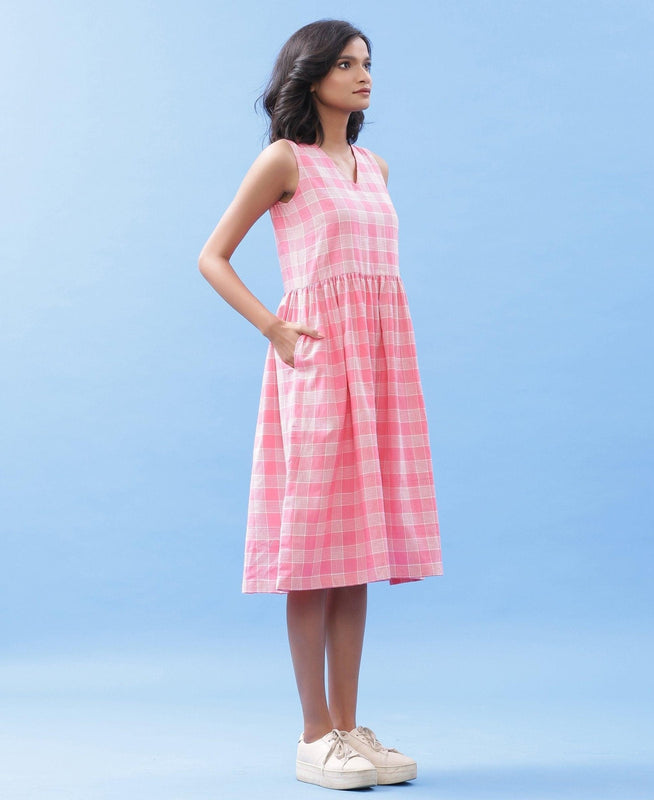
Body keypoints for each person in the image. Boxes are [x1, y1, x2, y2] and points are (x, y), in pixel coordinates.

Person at [197, 19, 443, 791]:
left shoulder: (375, 165)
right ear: (310, 76)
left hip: (377, 371)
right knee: (313, 558)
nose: (363, 74)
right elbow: (213, 255)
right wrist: (274, 328)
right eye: (345, 63)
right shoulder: (284, 161)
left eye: (367, 62)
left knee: (355, 556)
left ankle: (347, 727)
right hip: (320, 367)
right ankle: (313, 736)